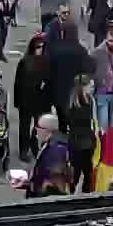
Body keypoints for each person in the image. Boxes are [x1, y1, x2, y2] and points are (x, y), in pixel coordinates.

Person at [12, 34, 50, 163]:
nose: (40, 49)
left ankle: (34, 147)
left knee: (38, 126)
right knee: (24, 126)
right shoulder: (24, 62)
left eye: (42, 47)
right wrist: (17, 101)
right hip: (26, 99)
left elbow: (49, 80)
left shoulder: (45, 62)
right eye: (38, 47)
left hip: (39, 99)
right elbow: (18, 83)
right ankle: (24, 150)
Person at [61, 72, 97, 193]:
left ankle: (77, 193)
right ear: (83, 87)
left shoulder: (81, 101)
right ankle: (79, 194)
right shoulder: (79, 104)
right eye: (91, 86)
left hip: (80, 141)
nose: (93, 88)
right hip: (82, 142)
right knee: (81, 172)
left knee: (83, 172)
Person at [27, 113, 73, 197]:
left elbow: (56, 182)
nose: (36, 130)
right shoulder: (49, 143)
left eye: (38, 127)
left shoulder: (56, 150)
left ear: (47, 130)